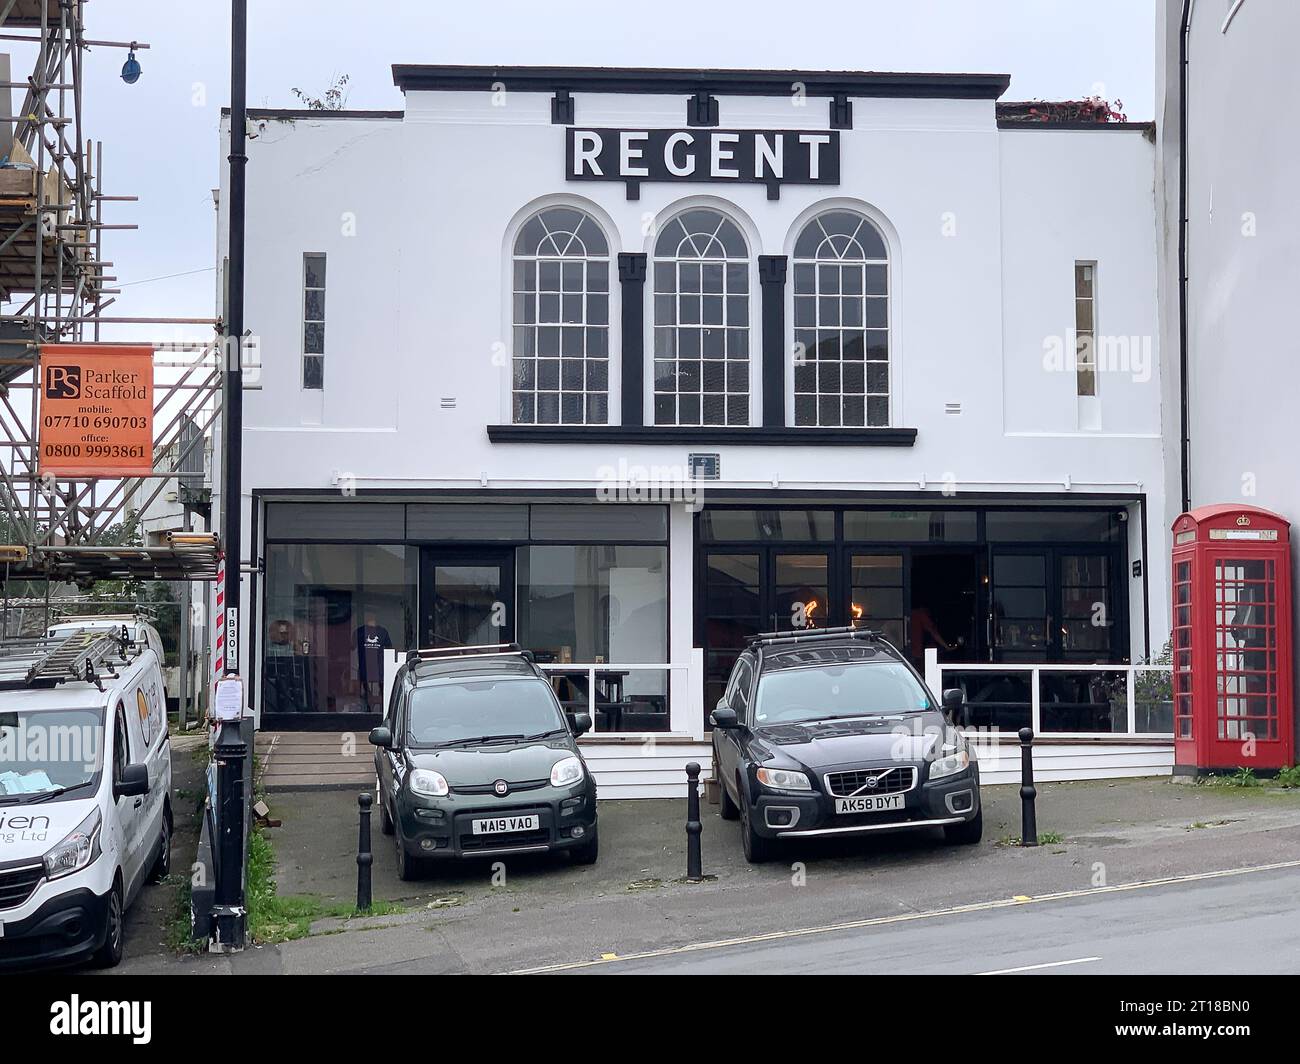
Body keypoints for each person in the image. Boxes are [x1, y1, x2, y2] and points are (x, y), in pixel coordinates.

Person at [354, 607, 393, 712]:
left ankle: (383, 712)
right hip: (364, 670)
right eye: (368, 615)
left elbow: (390, 650)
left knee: (383, 692)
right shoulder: (359, 632)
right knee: (365, 694)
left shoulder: (383, 632)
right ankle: (367, 710)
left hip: (380, 670)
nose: (370, 617)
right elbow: (351, 648)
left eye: (372, 614)